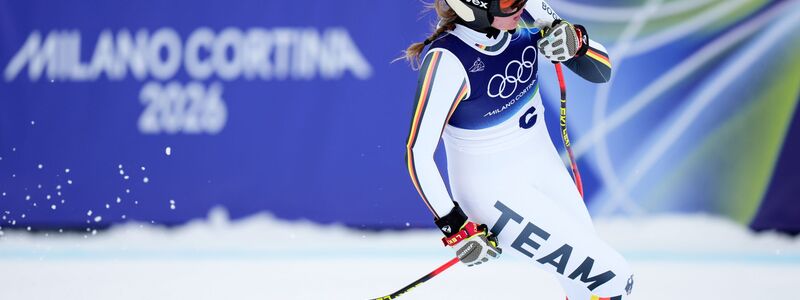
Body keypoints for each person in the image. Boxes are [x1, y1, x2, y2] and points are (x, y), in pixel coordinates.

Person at [402, 0, 634, 299]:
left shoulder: (522, 19)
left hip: (543, 169)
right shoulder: (447, 59)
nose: (520, 9)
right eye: (510, 3)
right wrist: (454, 226)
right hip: (493, 193)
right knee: (613, 279)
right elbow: (417, 152)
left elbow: (600, 71)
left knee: (583, 288)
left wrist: (575, 40)